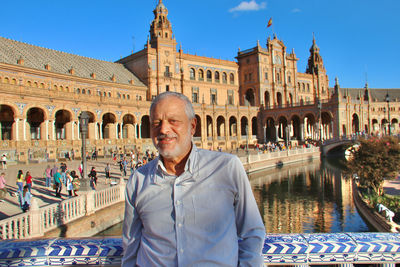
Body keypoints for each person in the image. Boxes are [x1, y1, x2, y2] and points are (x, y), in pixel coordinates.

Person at [122, 92, 265, 266]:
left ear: (193, 126)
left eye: (173, 121)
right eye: (156, 123)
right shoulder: (138, 180)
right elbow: (130, 247)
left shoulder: (227, 168)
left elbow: (253, 233)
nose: (163, 130)